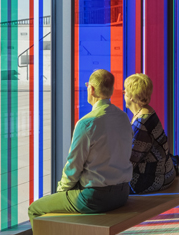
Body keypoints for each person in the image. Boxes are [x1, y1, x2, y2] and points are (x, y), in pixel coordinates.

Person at [27, 69, 133, 226]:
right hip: (122, 193)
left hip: (95, 198)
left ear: (91, 89)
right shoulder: (123, 117)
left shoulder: (87, 123)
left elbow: (73, 165)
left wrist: (62, 192)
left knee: (35, 209)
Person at [124, 73, 178, 194]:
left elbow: (130, 162)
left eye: (125, 91)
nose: (124, 93)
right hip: (167, 171)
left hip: (154, 178)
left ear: (132, 97)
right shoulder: (148, 112)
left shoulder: (140, 125)